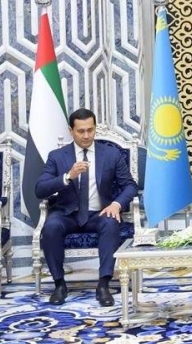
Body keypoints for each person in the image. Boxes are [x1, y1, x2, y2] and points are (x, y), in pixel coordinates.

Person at [35, 108, 138, 306]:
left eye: (90, 130)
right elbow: (40, 189)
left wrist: (116, 204)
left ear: (95, 128)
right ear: (71, 131)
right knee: (51, 227)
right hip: (67, 214)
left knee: (111, 223)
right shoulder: (57, 156)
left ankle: (103, 284)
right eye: (81, 131)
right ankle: (59, 284)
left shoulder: (111, 154)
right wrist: (68, 176)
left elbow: (130, 186)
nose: (86, 135)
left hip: (99, 213)